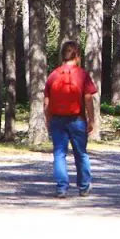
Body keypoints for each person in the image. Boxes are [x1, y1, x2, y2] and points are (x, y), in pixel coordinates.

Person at [44, 40, 98, 197]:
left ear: (62, 56)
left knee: (59, 154)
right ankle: (84, 186)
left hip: (57, 120)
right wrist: (91, 119)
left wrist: (48, 120)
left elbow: (46, 101)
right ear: (78, 56)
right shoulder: (82, 75)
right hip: (77, 119)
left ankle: (61, 187)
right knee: (81, 153)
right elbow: (88, 98)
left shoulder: (53, 75)